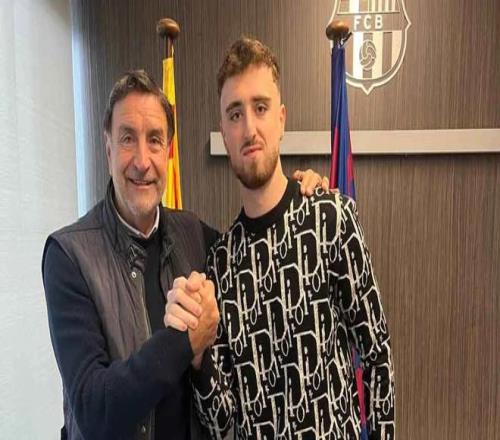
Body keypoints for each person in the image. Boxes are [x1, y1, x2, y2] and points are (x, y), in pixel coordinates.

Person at [42, 69, 326, 440]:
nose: (142, 160)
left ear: (169, 152)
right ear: (108, 147)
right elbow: (95, 409)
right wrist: (184, 342)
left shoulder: (193, 235)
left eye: (154, 140)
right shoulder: (68, 256)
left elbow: (257, 250)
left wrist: (296, 198)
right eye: (128, 138)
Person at [166, 38, 395, 439]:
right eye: (235, 114)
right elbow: (221, 422)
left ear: (282, 119)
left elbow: (376, 354)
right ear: (224, 133)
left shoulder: (331, 218)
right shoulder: (220, 262)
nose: (249, 129)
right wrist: (198, 358)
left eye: (260, 108)